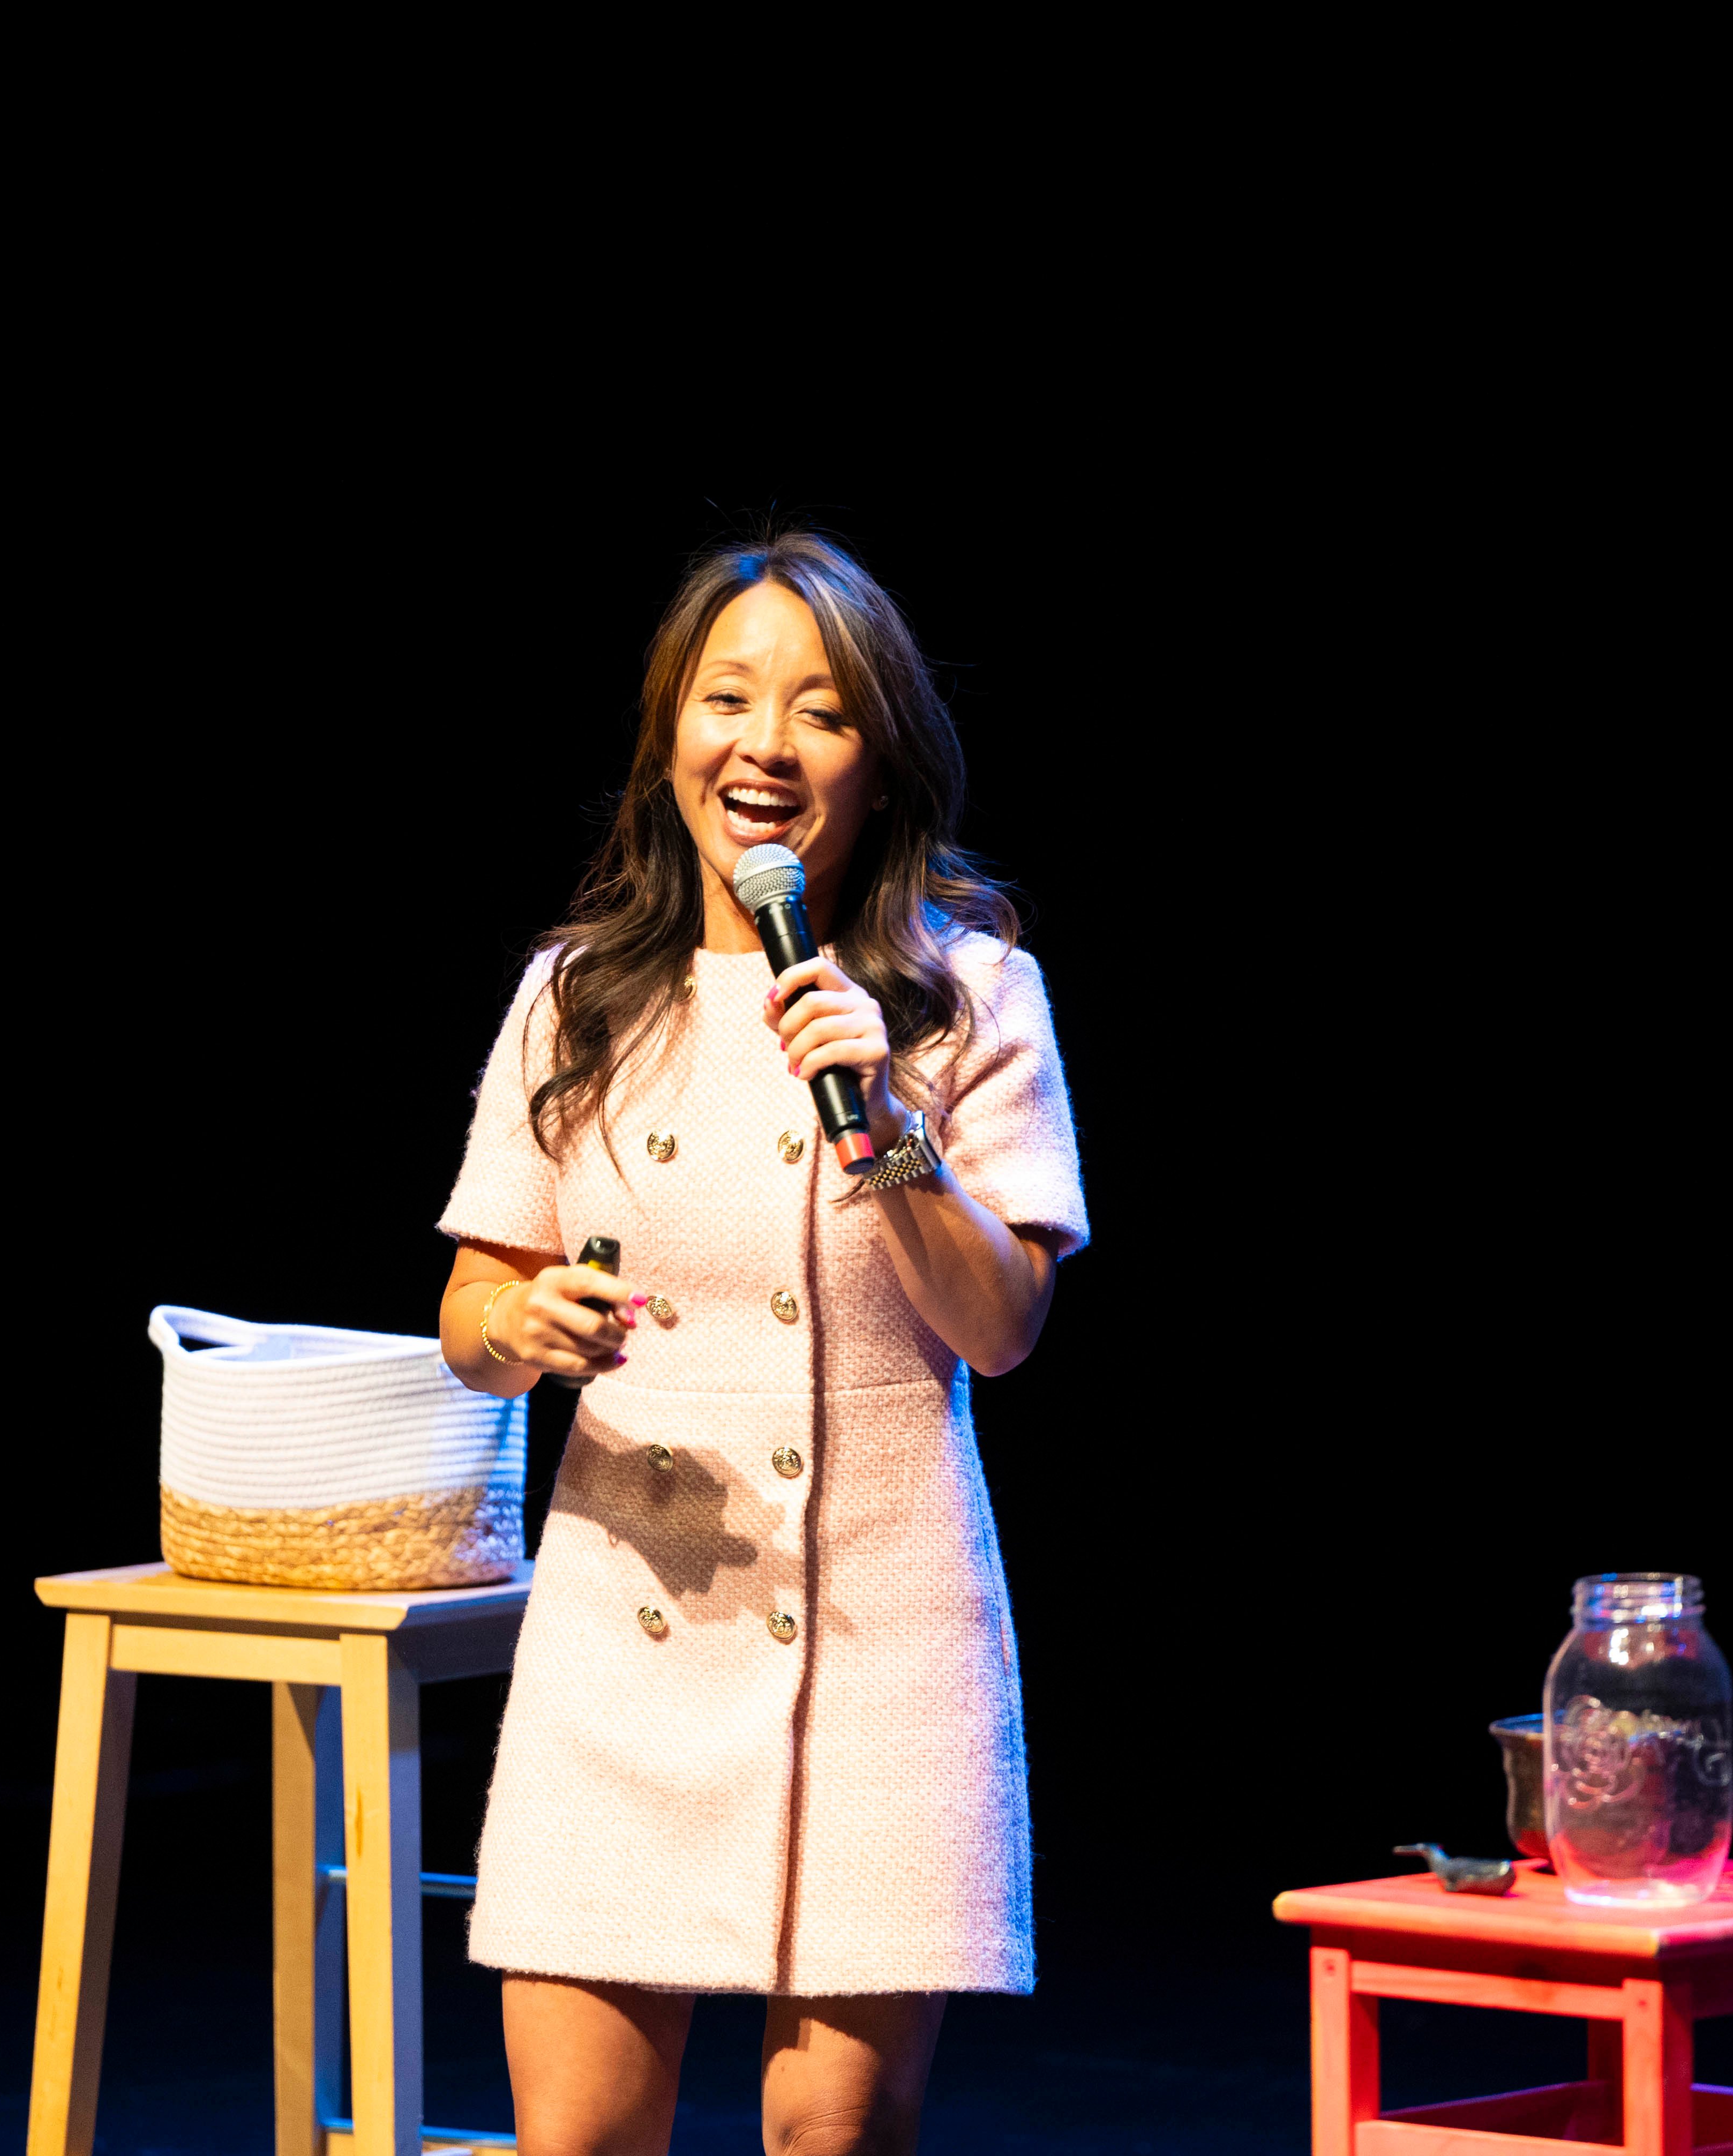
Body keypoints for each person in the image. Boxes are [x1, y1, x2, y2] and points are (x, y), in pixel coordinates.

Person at [435, 529, 1087, 2155]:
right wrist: (521, 1323)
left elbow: (1002, 1332)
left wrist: (887, 1125)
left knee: (833, 2138)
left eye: (821, 712)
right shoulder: (577, 1000)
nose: (766, 745)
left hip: (880, 1623)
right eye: (727, 700)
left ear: (880, 763)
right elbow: (468, 1314)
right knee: (575, 2138)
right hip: (627, 1613)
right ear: (672, 743)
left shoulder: (968, 991)